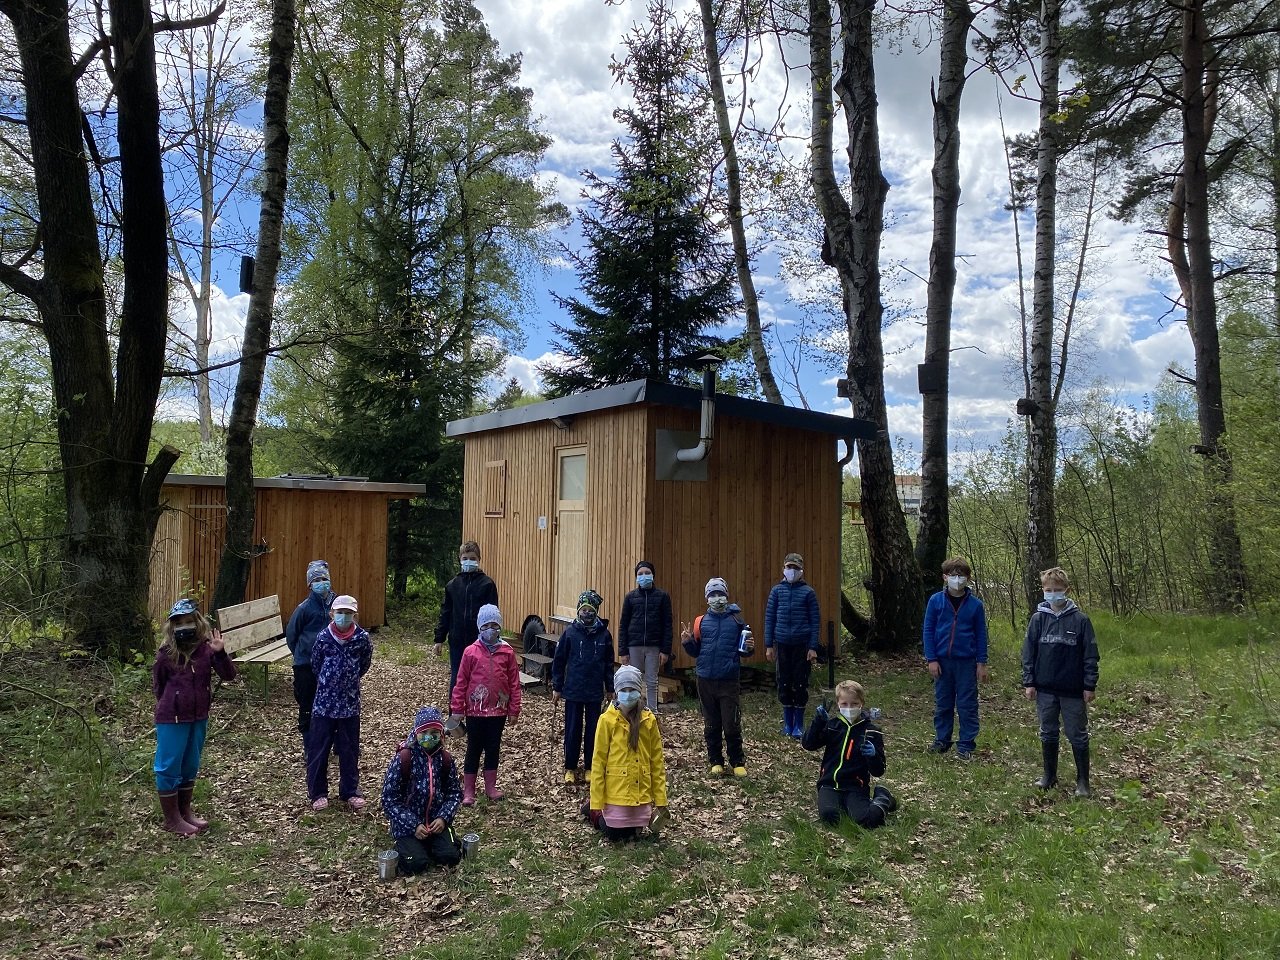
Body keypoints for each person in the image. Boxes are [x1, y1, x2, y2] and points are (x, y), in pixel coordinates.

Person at [152, 598, 237, 837]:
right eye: (179, 623)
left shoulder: (205, 651)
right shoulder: (165, 654)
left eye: (189, 621)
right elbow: (158, 687)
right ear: (172, 627)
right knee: (169, 765)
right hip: (172, 718)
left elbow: (229, 675)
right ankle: (171, 819)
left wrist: (220, 653)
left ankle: (184, 812)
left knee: (190, 763)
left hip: (199, 716)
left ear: (198, 622)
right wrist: (172, 704)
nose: (184, 627)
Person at [1022, 566, 1100, 797]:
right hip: (1045, 689)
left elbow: (1090, 655)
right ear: (1043, 591)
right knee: (1048, 731)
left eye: (1058, 590)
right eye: (1049, 590)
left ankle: (1083, 781)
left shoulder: (1080, 621)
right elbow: (1028, 652)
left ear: (1067, 590)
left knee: (1077, 733)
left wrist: (1089, 685)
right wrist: (1029, 681)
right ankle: (1049, 775)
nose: (1053, 594)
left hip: (1073, 690)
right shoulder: (1037, 619)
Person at [583, 665, 668, 842]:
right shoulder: (606, 720)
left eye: (632, 690)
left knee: (636, 832)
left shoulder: (649, 720)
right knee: (616, 835)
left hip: (640, 793)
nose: (628, 694)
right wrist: (597, 802)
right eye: (624, 690)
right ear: (616, 692)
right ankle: (593, 813)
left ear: (639, 691)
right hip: (616, 793)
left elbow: (657, 762)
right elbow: (598, 761)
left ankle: (629, 822)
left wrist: (660, 801)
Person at [680, 577, 755, 777]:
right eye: (712, 595)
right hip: (704, 679)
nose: (716, 598)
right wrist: (687, 642)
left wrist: (749, 649)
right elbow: (696, 652)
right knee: (711, 723)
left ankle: (737, 761)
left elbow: (744, 651)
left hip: (728, 679)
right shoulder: (700, 622)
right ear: (706, 598)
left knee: (731, 722)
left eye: (720, 594)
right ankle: (715, 760)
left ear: (726, 595)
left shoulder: (737, 621)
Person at [306, 595, 373, 812]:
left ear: (355, 615)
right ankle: (317, 793)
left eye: (348, 613)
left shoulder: (362, 638)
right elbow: (315, 664)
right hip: (324, 705)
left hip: (350, 705)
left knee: (349, 749)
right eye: (340, 612)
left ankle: (350, 791)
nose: (344, 617)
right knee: (319, 749)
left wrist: (349, 680)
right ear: (332, 614)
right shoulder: (323, 638)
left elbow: (364, 664)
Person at [450, 603, 520, 806]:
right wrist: (457, 709)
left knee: (493, 748)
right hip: (475, 711)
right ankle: (469, 790)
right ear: (480, 627)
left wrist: (514, 709)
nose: (491, 630)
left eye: (495, 625)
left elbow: (514, 682)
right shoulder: (470, 652)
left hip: (498, 711)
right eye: (487, 625)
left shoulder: (507, 652)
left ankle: (491, 787)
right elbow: (460, 681)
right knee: (473, 749)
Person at [801, 680, 897, 828]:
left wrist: (873, 756)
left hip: (855, 786)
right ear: (838, 704)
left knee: (866, 821)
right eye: (844, 704)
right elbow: (808, 744)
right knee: (830, 817)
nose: (849, 708)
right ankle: (840, 804)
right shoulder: (832, 725)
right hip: (829, 784)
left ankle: (883, 797)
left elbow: (878, 771)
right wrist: (818, 722)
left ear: (861, 704)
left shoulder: (871, 730)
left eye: (854, 704)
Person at [380, 706, 464, 873]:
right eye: (424, 732)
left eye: (434, 733)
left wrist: (443, 817)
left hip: (435, 824)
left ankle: (438, 843)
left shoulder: (445, 759)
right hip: (407, 827)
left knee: (451, 857)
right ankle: (412, 848)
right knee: (416, 864)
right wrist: (413, 824)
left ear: (441, 734)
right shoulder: (403, 758)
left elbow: (454, 793)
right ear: (416, 732)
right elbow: (389, 800)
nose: (428, 737)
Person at [921, 557, 989, 760]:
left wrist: (981, 663)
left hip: (966, 662)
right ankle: (942, 740)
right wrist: (931, 659)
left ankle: (966, 744)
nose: (957, 579)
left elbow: (981, 635)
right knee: (943, 702)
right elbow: (928, 630)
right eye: (953, 575)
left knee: (967, 704)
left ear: (968, 578)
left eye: (961, 576)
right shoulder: (935, 601)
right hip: (942, 661)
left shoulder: (976, 605)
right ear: (945, 577)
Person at [552, 590, 615, 785]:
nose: (586, 613)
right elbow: (559, 661)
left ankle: (590, 766)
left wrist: (610, 687)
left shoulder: (604, 635)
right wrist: (557, 686)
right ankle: (570, 767)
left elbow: (608, 664)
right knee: (572, 730)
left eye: (590, 609)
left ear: (595, 611)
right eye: (583, 609)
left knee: (594, 730)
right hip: (573, 690)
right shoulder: (570, 633)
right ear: (578, 611)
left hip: (594, 691)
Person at [764, 551, 820, 739]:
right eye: (789, 567)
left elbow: (815, 621)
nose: (792, 571)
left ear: (801, 570)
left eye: (795, 568)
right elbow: (770, 618)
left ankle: (799, 724)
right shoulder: (776, 591)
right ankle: (787, 723)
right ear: (783, 568)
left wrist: (813, 647)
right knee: (784, 682)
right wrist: (768, 645)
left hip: (801, 645)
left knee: (800, 682)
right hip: (781, 644)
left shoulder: (808, 593)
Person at [433, 541, 499, 701]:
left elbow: (493, 614)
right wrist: (439, 639)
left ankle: (476, 716)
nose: (468, 561)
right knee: (457, 678)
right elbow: (446, 612)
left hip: (479, 641)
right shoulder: (453, 585)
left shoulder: (487, 584)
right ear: (460, 559)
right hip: (457, 640)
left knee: (479, 678)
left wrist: (494, 637)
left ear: (479, 559)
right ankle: (454, 719)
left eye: (472, 558)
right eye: (465, 558)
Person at [285, 559, 335, 758]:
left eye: (324, 578)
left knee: (330, 704)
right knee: (307, 704)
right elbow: (292, 635)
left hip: (330, 665)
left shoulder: (337, 604)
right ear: (310, 585)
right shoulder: (304, 609)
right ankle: (309, 746)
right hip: (305, 665)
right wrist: (302, 654)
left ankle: (330, 742)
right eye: (316, 580)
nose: (321, 583)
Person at [618, 560, 673, 713]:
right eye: (640, 574)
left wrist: (665, 649)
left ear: (653, 575)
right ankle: (635, 711)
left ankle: (652, 711)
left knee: (652, 680)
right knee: (634, 679)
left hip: (654, 646)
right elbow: (623, 624)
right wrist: (623, 651)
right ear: (636, 577)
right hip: (634, 645)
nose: (644, 576)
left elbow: (668, 624)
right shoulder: (630, 597)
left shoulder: (662, 597)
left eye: (647, 573)